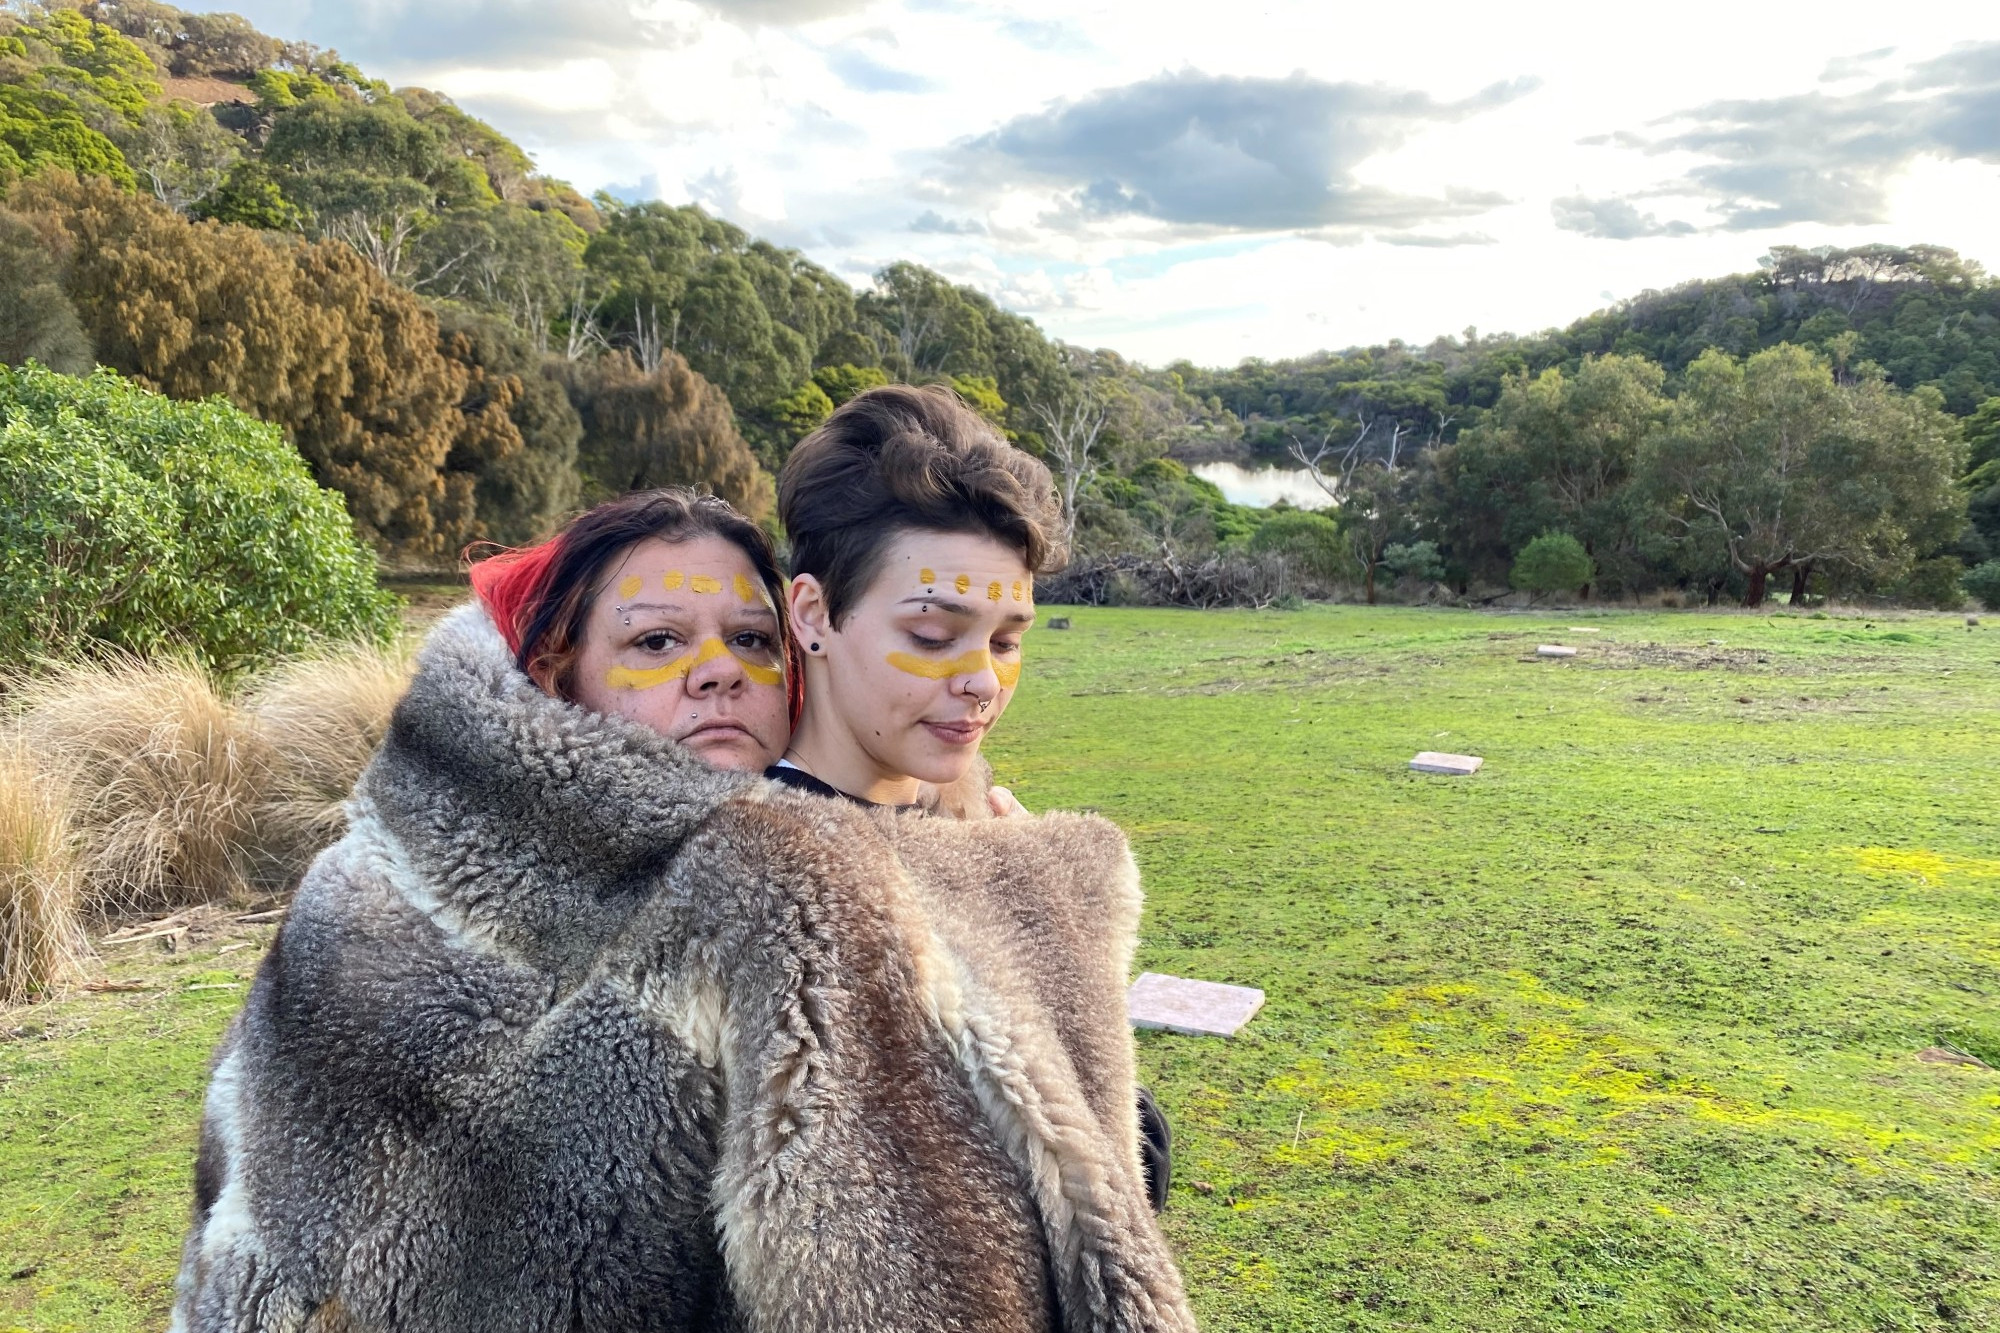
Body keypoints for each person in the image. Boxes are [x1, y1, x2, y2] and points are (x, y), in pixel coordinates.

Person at [171, 487, 1194, 1333]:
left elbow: (1101, 1168)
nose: (717, 669)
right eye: (657, 640)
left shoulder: (825, 859)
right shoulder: (386, 898)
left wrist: (993, 924)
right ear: (553, 670)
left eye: (750, 639)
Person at [767, 383, 1174, 1212]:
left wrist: (1054, 939)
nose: (983, 680)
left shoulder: (973, 828)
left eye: (1007, 639)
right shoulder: (764, 885)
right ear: (812, 613)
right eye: (930, 635)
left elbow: (1133, 1162)